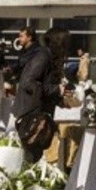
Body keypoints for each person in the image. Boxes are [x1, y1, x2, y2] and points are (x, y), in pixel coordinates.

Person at [12, 26, 65, 163]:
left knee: (34, 155)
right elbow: (28, 82)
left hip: (36, 111)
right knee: (31, 156)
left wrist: (60, 97)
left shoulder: (46, 55)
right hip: (31, 114)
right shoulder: (43, 56)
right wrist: (56, 90)